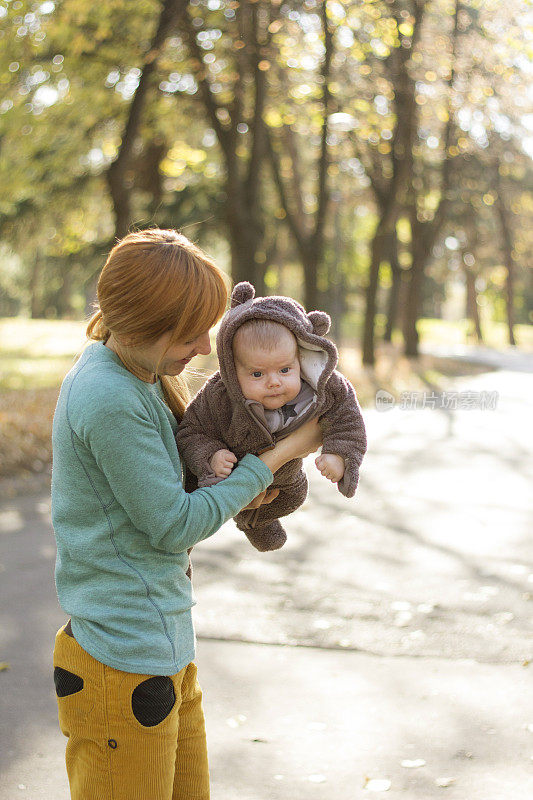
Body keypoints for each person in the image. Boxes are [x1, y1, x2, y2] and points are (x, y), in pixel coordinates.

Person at [50, 229, 322, 800]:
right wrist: (276, 458)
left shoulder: (137, 376)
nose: (205, 347)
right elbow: (173, 523)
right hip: (118, 660)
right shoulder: (108, 396)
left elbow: (160, 493)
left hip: (161, 646)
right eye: (191, 330)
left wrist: (242, 481)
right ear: (145, 323)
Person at [176, 280, 367, 552]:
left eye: (285, 370)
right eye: (257, 374)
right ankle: (249, 519)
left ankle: (257, 522)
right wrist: (211, 455)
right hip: (233, 476)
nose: (274, 382)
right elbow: (190, 431)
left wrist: (340, 454)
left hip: (286, 480)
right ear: (232, 369)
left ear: (300, 358)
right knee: (215, 499)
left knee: (294, 496)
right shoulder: (219, 396)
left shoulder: (321, 388)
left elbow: (347, 416)